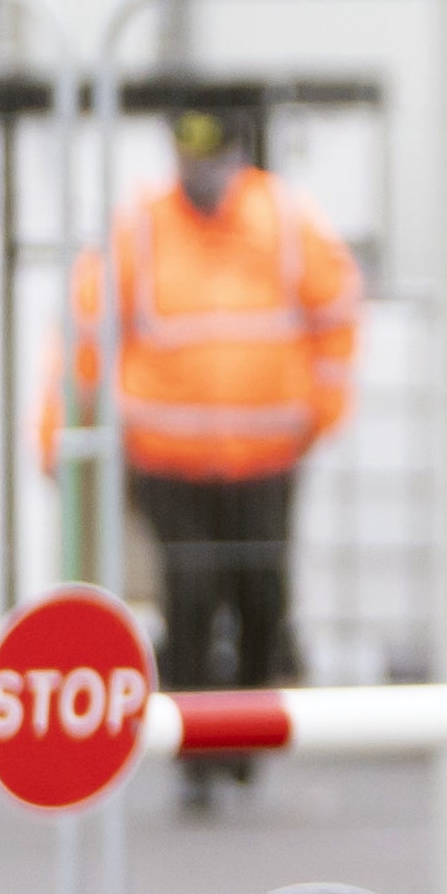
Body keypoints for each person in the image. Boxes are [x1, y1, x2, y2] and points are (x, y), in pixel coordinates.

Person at [38, 106, 361, 807]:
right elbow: (86, 333)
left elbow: (336, 308)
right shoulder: (142, 227)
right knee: (189, 592)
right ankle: (192, 753)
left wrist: (324, 409)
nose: (199, 176)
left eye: (212, 161)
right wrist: (57, 430)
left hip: (267, 453)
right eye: (187, 160)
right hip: (169, 456)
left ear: (236, 158)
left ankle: (245, 738)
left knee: (261, 594)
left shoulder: (283, 219)